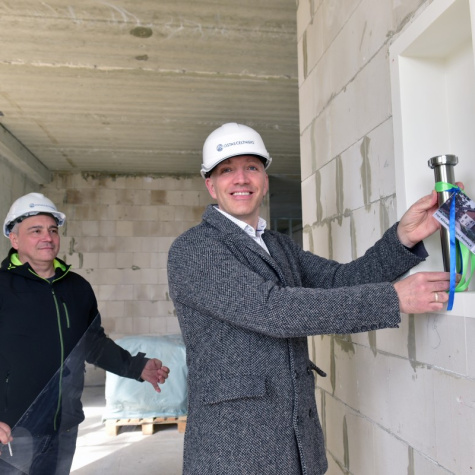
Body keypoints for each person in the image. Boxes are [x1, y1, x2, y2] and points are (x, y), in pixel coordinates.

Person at [167, 122, 455, 475]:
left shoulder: (277, 246)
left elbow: (339, 282)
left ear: (265, 180)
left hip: (296, 446)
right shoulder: (194, 249)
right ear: (211, 185)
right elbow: (273, 310)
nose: (241, 178)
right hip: (233, 452)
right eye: (226, 170)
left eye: (251, 167)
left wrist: (403, 238)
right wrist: (391, 300)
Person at [0, 193, 170, 474]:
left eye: (53, 230)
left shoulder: (77, 287)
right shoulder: (3, 287)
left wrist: (136, 367)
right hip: (13, 430)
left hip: (64, 426)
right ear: (14, 239)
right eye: (36, 231)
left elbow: (92, 344)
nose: (47, 237)